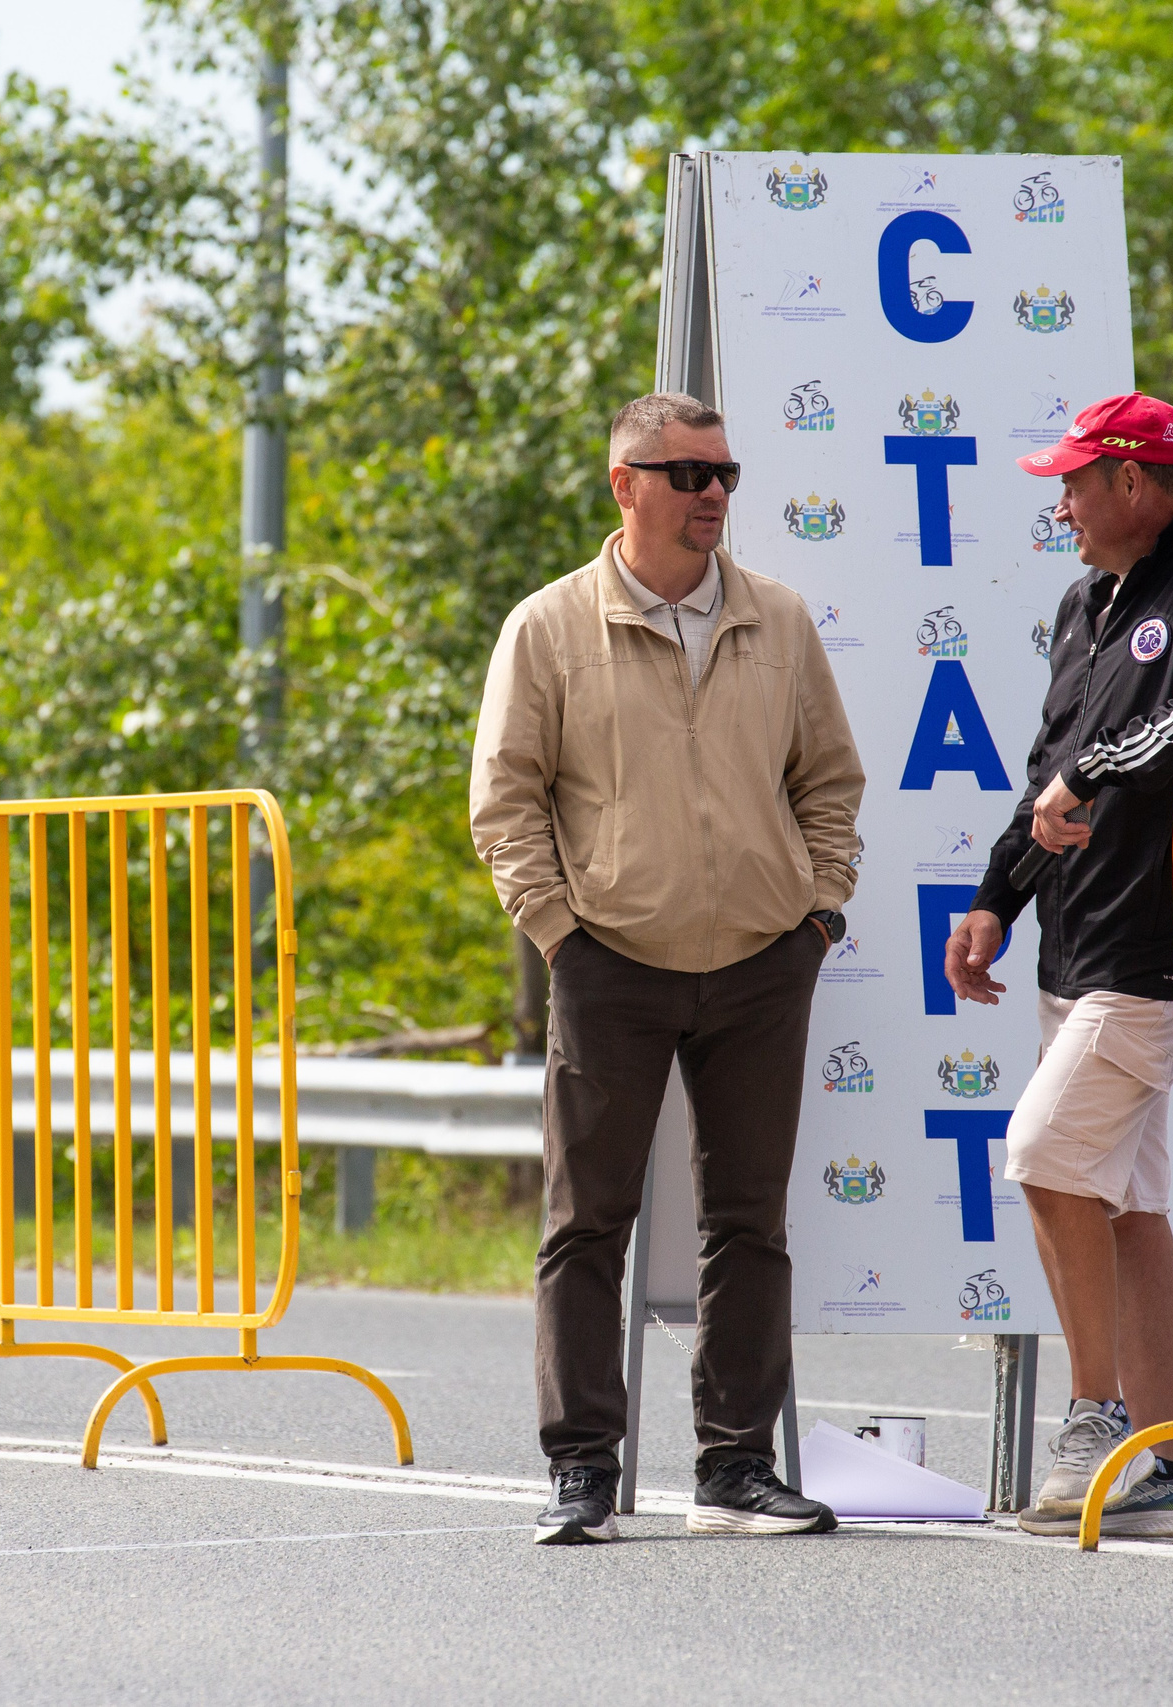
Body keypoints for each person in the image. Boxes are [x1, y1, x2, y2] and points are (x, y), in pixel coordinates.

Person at [470, 391, 866, 1544]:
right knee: (587, 1221)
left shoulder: (780, 619)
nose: (712, 496)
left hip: (760, 959)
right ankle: (581, 1474)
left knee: (750, 1223)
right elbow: (505, 799)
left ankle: (735, 1470)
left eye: (726, 475)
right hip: (608, 961)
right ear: (623, 485)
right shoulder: (547, 627)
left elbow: (828, 781)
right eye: (687, 474)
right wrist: (557, 932)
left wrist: (819, 913)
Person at [945, 391, 1173, 1540]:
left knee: (1043, 1155)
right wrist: (996, 895)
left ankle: (1095, 1416)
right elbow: (1049, 767)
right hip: (1071, 946)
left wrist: (1088, 776)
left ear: (1134, 482)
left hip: (1163, 947)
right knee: (1130, 1201)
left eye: (1075, 483)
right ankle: (1168, 1465)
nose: (1062, 504)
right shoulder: (1085, 598)